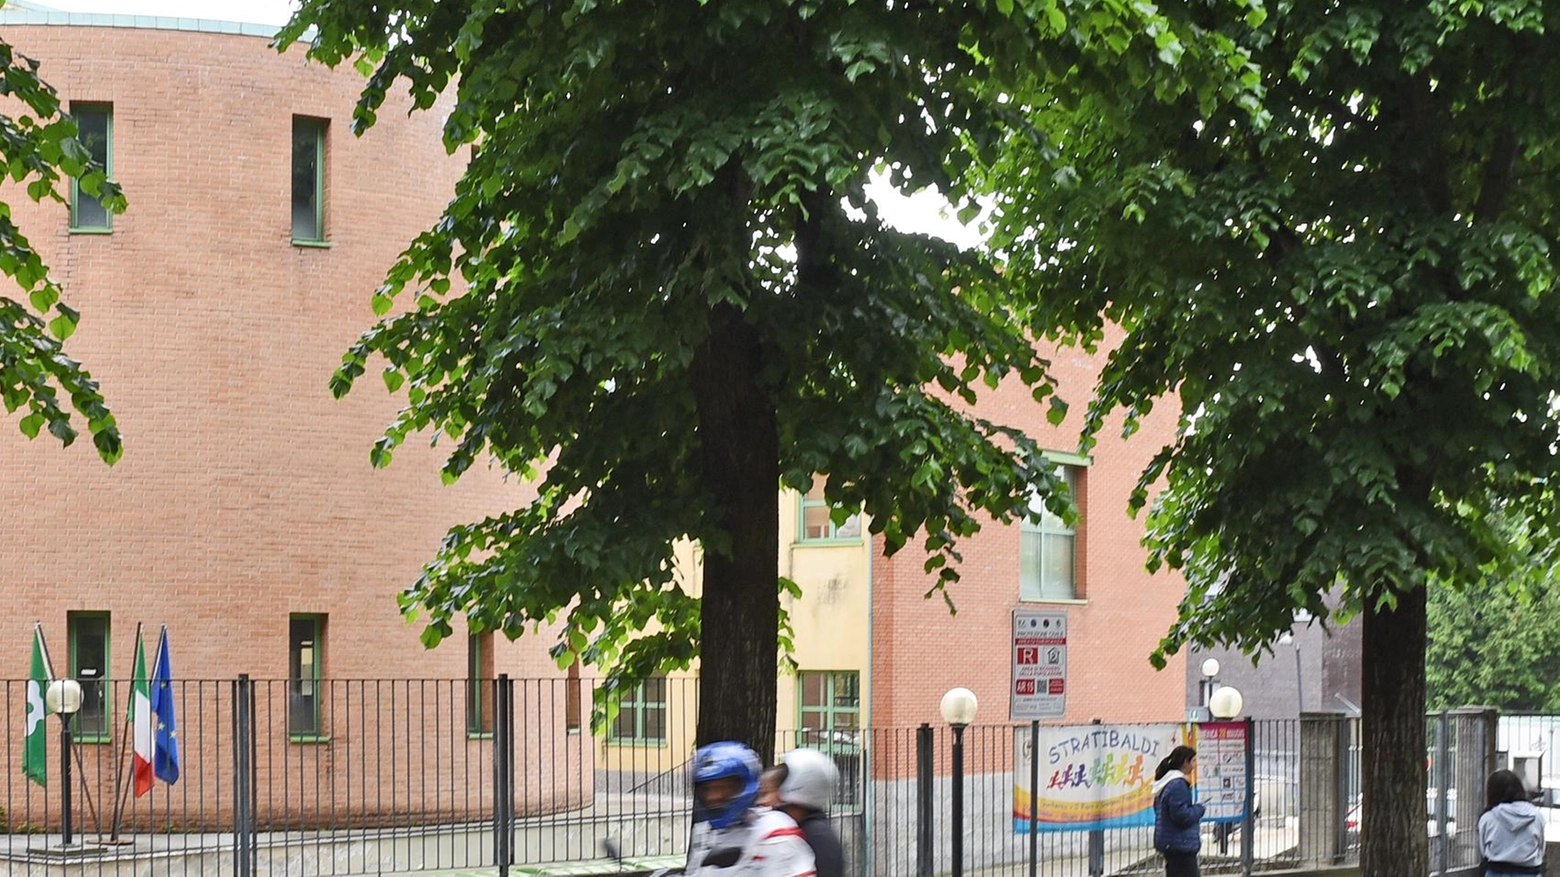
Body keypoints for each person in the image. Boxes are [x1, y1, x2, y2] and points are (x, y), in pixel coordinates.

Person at [686, 741, 816, 877]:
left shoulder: (774, 831)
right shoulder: (703, 831)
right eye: (707, 789)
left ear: (746, 785)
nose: (713, 797)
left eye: (723, 787)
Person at [758, 749, 845, 877]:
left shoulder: (815, 837)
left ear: (794, 790)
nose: (761, 801)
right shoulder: (799, 828)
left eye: (766, 793)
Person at [1479, 769, 1545, 877]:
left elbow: (1483, 850)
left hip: (1496, 872)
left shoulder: (1487, 818)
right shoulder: (1537, 817)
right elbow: (1541, 848)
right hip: (1529, 873)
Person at [1152, 745, 1204, 877]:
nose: (1194, 766)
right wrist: (1199, 809)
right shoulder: (1178, 784)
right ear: (1185, 762)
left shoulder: (1166, 782)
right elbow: (1181, 815)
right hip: (1180, 844)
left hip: (1173, 843)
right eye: (1193, 761)